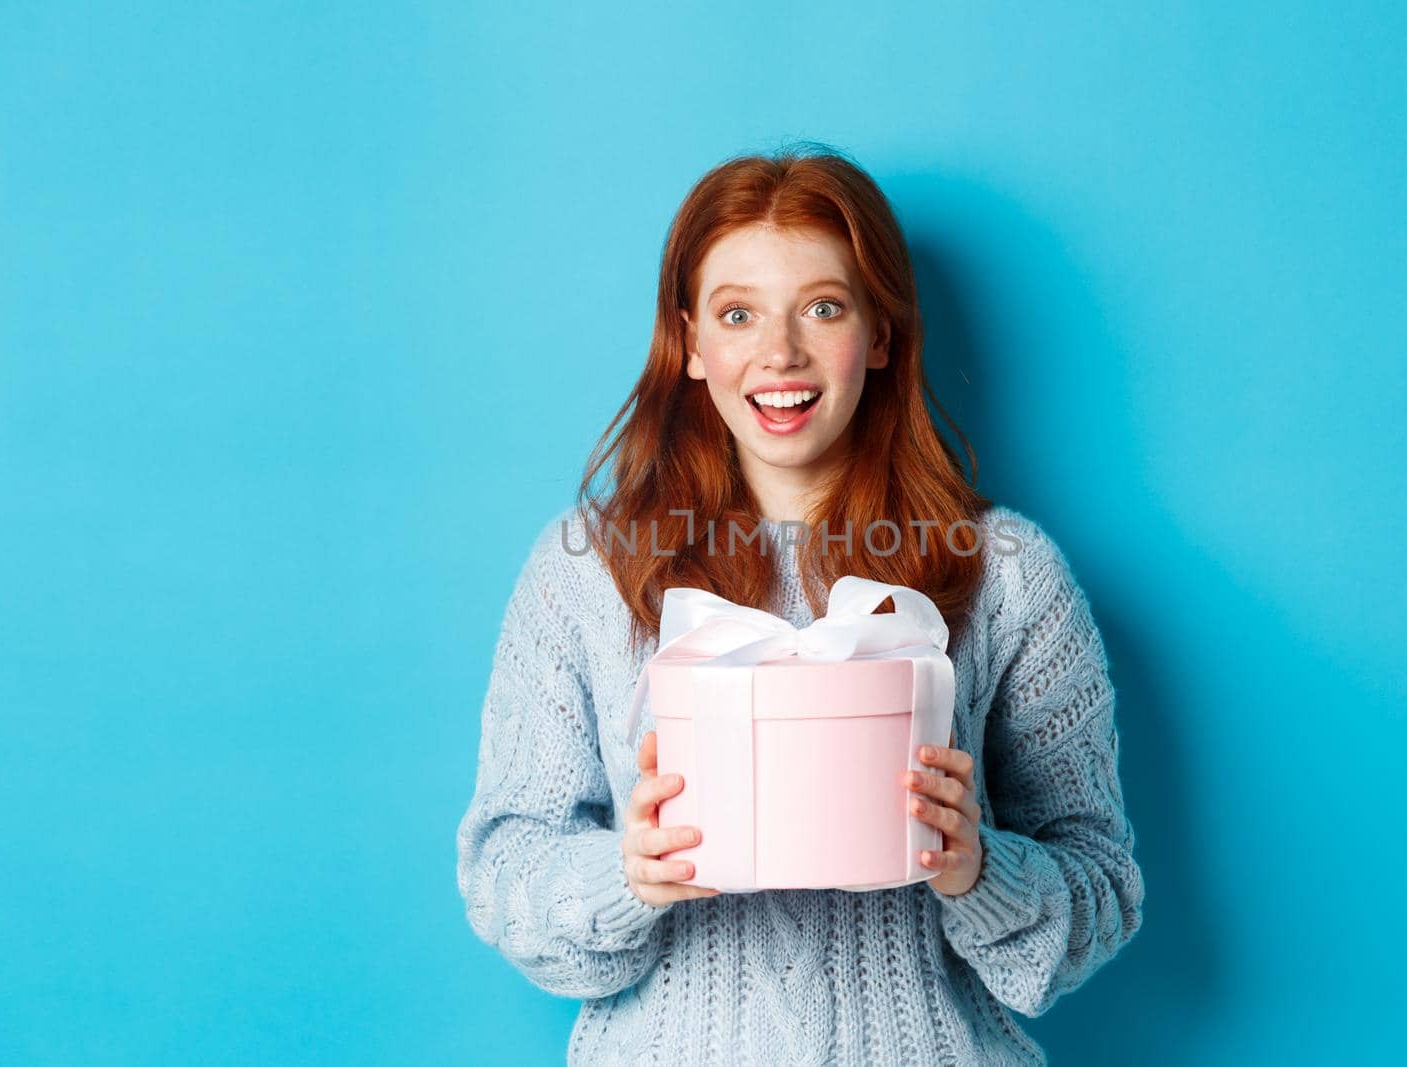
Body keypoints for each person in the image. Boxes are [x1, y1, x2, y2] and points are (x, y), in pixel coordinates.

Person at [454, 143, 1144, 1065]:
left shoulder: (1007, 572)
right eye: (738, 313)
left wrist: (979, 868)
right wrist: (629, 873)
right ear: (692, 342)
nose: (780, 353)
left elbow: (1104, 885)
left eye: (824, 307)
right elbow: (502, 866)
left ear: (884, 334)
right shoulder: (586, 572)